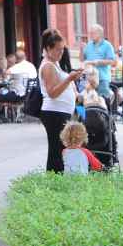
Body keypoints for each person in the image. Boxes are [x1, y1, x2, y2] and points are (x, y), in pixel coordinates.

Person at [37, 29, 84, 172]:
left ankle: (58, 178)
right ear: (48, 48)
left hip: (60, 111)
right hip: (54, 112)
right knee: (57, 149)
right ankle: (54, 180)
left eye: (62, 49)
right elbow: (52, 93)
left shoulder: (54, 63)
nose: (61, 52)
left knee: (60, 148)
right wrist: (69, 78)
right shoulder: (48, 66)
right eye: (58, 49)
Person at [82, 24, 118, 99]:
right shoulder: (89, 45)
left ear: (100, 34)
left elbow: (113, 61)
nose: (90, 35)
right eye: (90, 33)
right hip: (90, 79)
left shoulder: (107, 45)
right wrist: (81, 50)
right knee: (90, 101)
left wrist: (98, 62)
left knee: (102, 100)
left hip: (102, 78)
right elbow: (82, 59)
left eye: (92, 33)